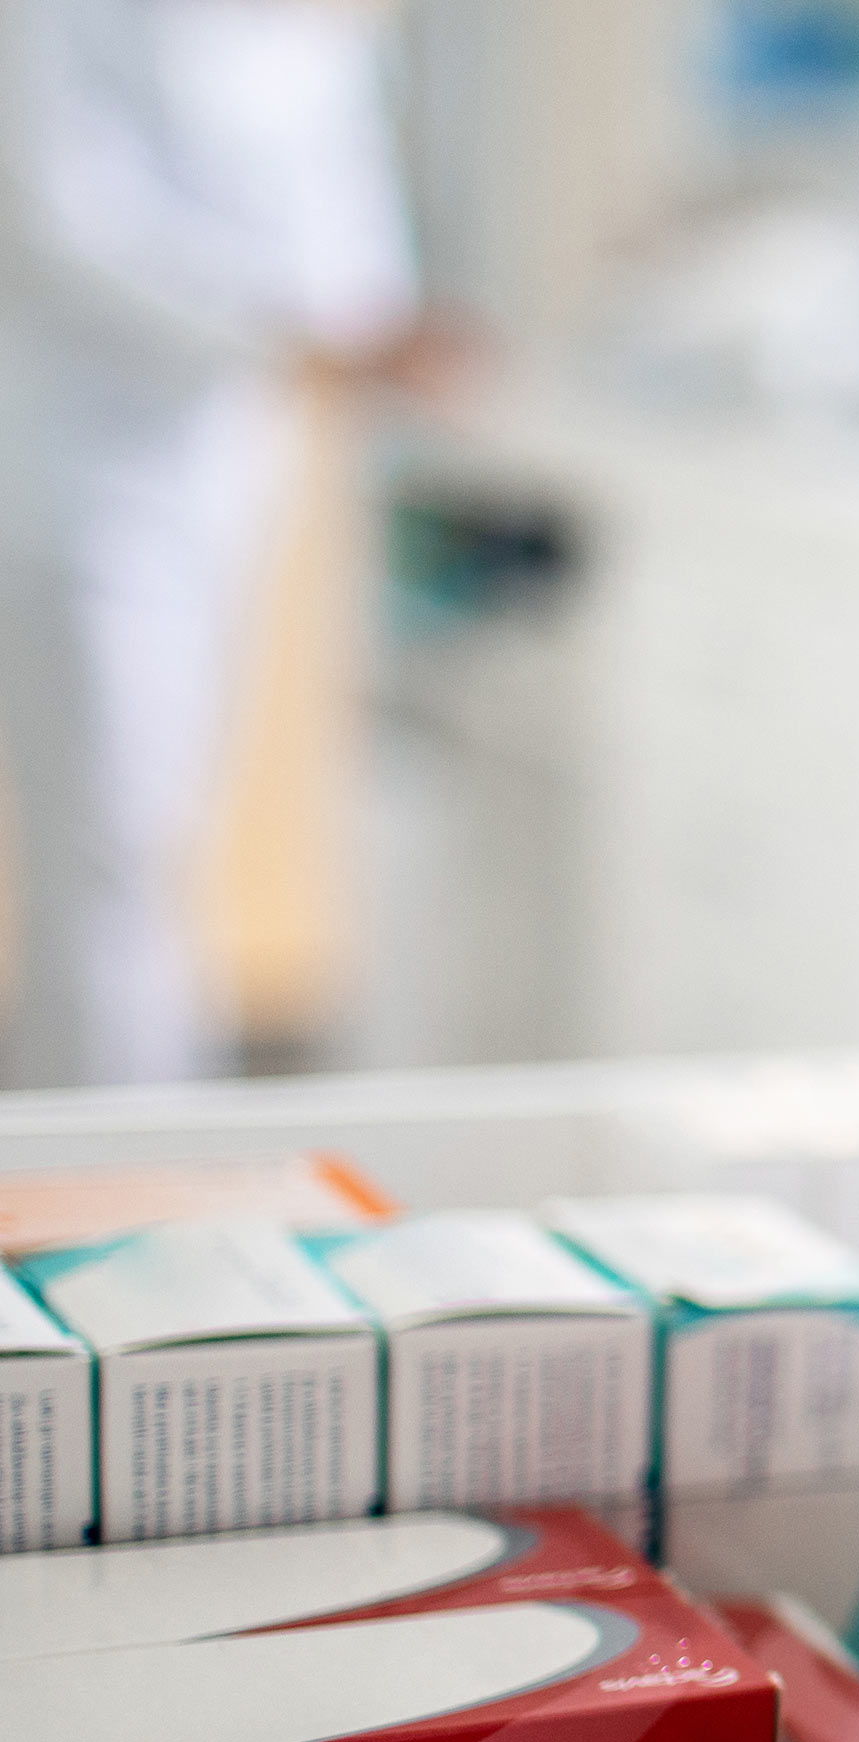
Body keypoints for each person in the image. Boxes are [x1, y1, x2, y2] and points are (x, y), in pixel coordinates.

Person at [0, 0, 427, 1088]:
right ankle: (94, 1182)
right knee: (109, 849)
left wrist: (370, 326)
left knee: (166, 843)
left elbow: (352, 234)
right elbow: (58, 218)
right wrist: (295, 325)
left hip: (234, 458)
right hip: (78, 468)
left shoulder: (302, 31)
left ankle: (144, 1153)